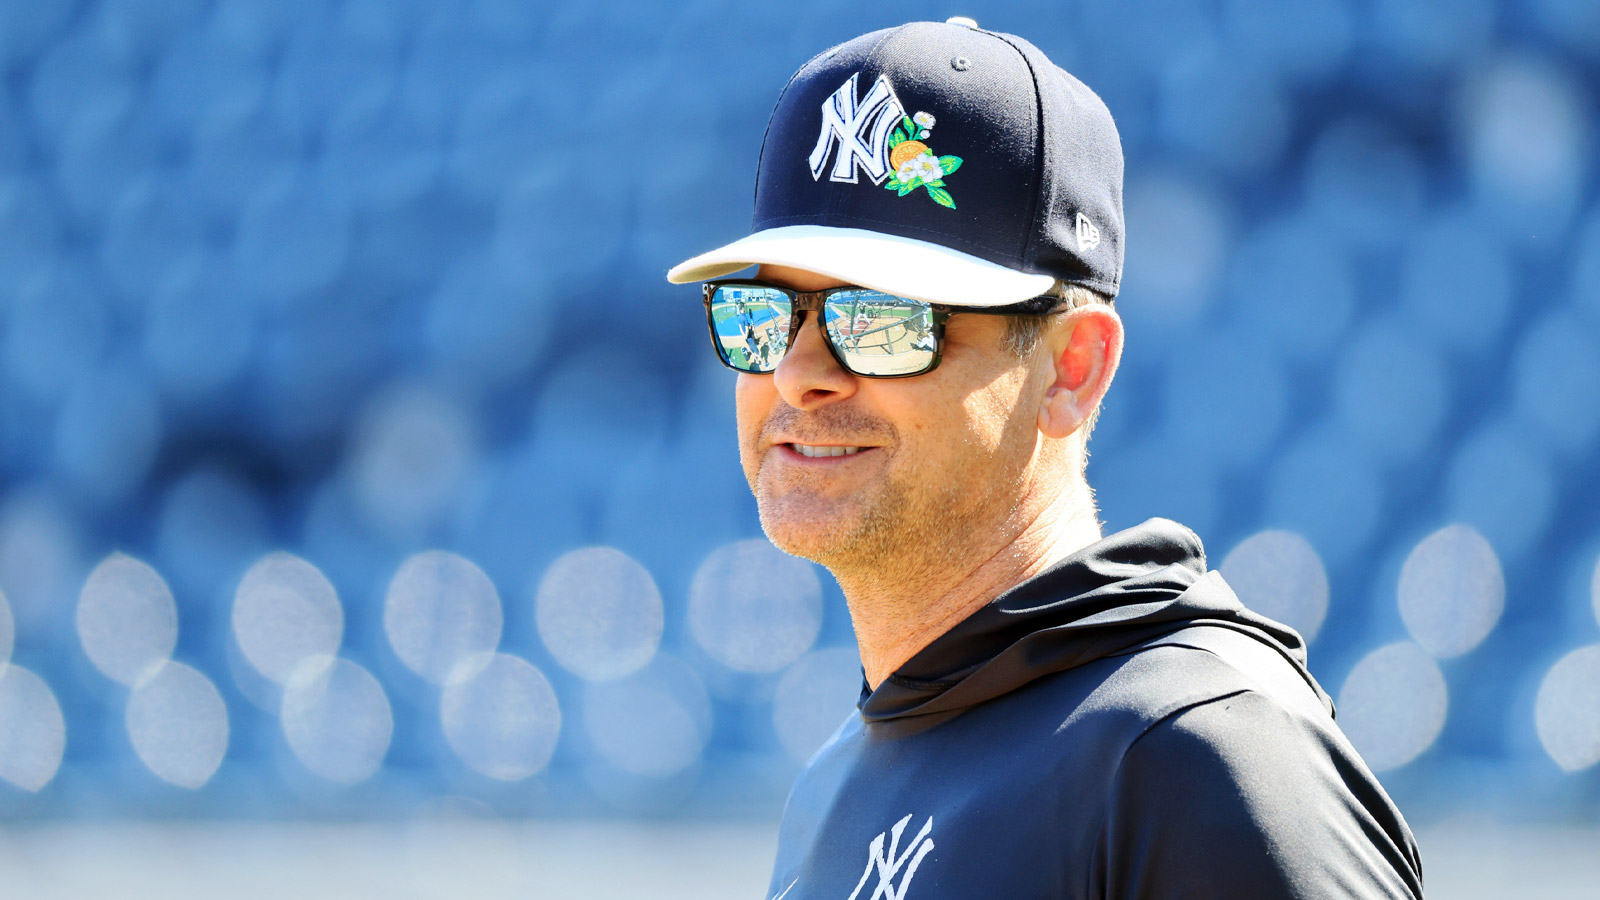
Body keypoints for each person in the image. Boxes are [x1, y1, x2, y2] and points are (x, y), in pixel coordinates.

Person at [668, 18, 1424, 900]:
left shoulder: (1198, 753)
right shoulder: (835, 783)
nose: (798, 375)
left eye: (881, 320)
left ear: (1072, 368)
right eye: (764, 314)